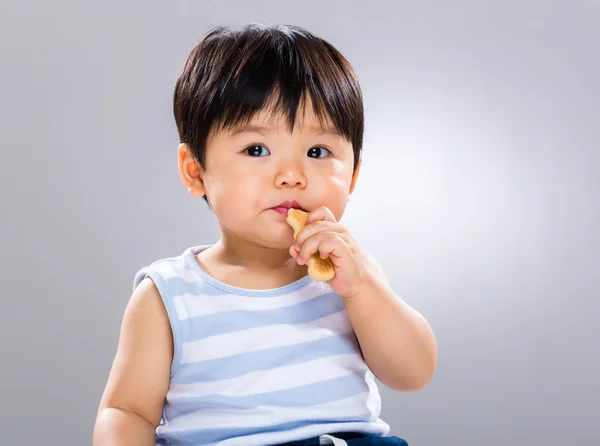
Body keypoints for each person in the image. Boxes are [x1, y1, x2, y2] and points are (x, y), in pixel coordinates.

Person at [93, 23, 437, 446]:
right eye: (257, 149)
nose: (291, 175)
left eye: (317, 152)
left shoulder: (348, 275)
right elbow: (127, 411)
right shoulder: (169, 295)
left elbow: (413, 372)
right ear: (195, 170)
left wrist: (362, 289)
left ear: (353, 175)